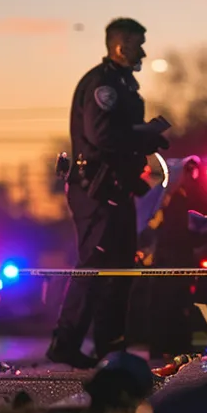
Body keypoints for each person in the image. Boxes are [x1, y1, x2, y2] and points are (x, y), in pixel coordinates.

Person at [46, 18, 171, 369]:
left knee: (118, 270)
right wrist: (143, 136)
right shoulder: (103, 85)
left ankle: (111, 349)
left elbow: (119, 137)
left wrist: (142, 142)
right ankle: (66, 343)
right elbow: (102, 136)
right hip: (96, 191)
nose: (143, 51)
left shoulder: (123, 86)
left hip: (117, 190)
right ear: (119, 46)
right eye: (137, 44)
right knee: (94, 267)